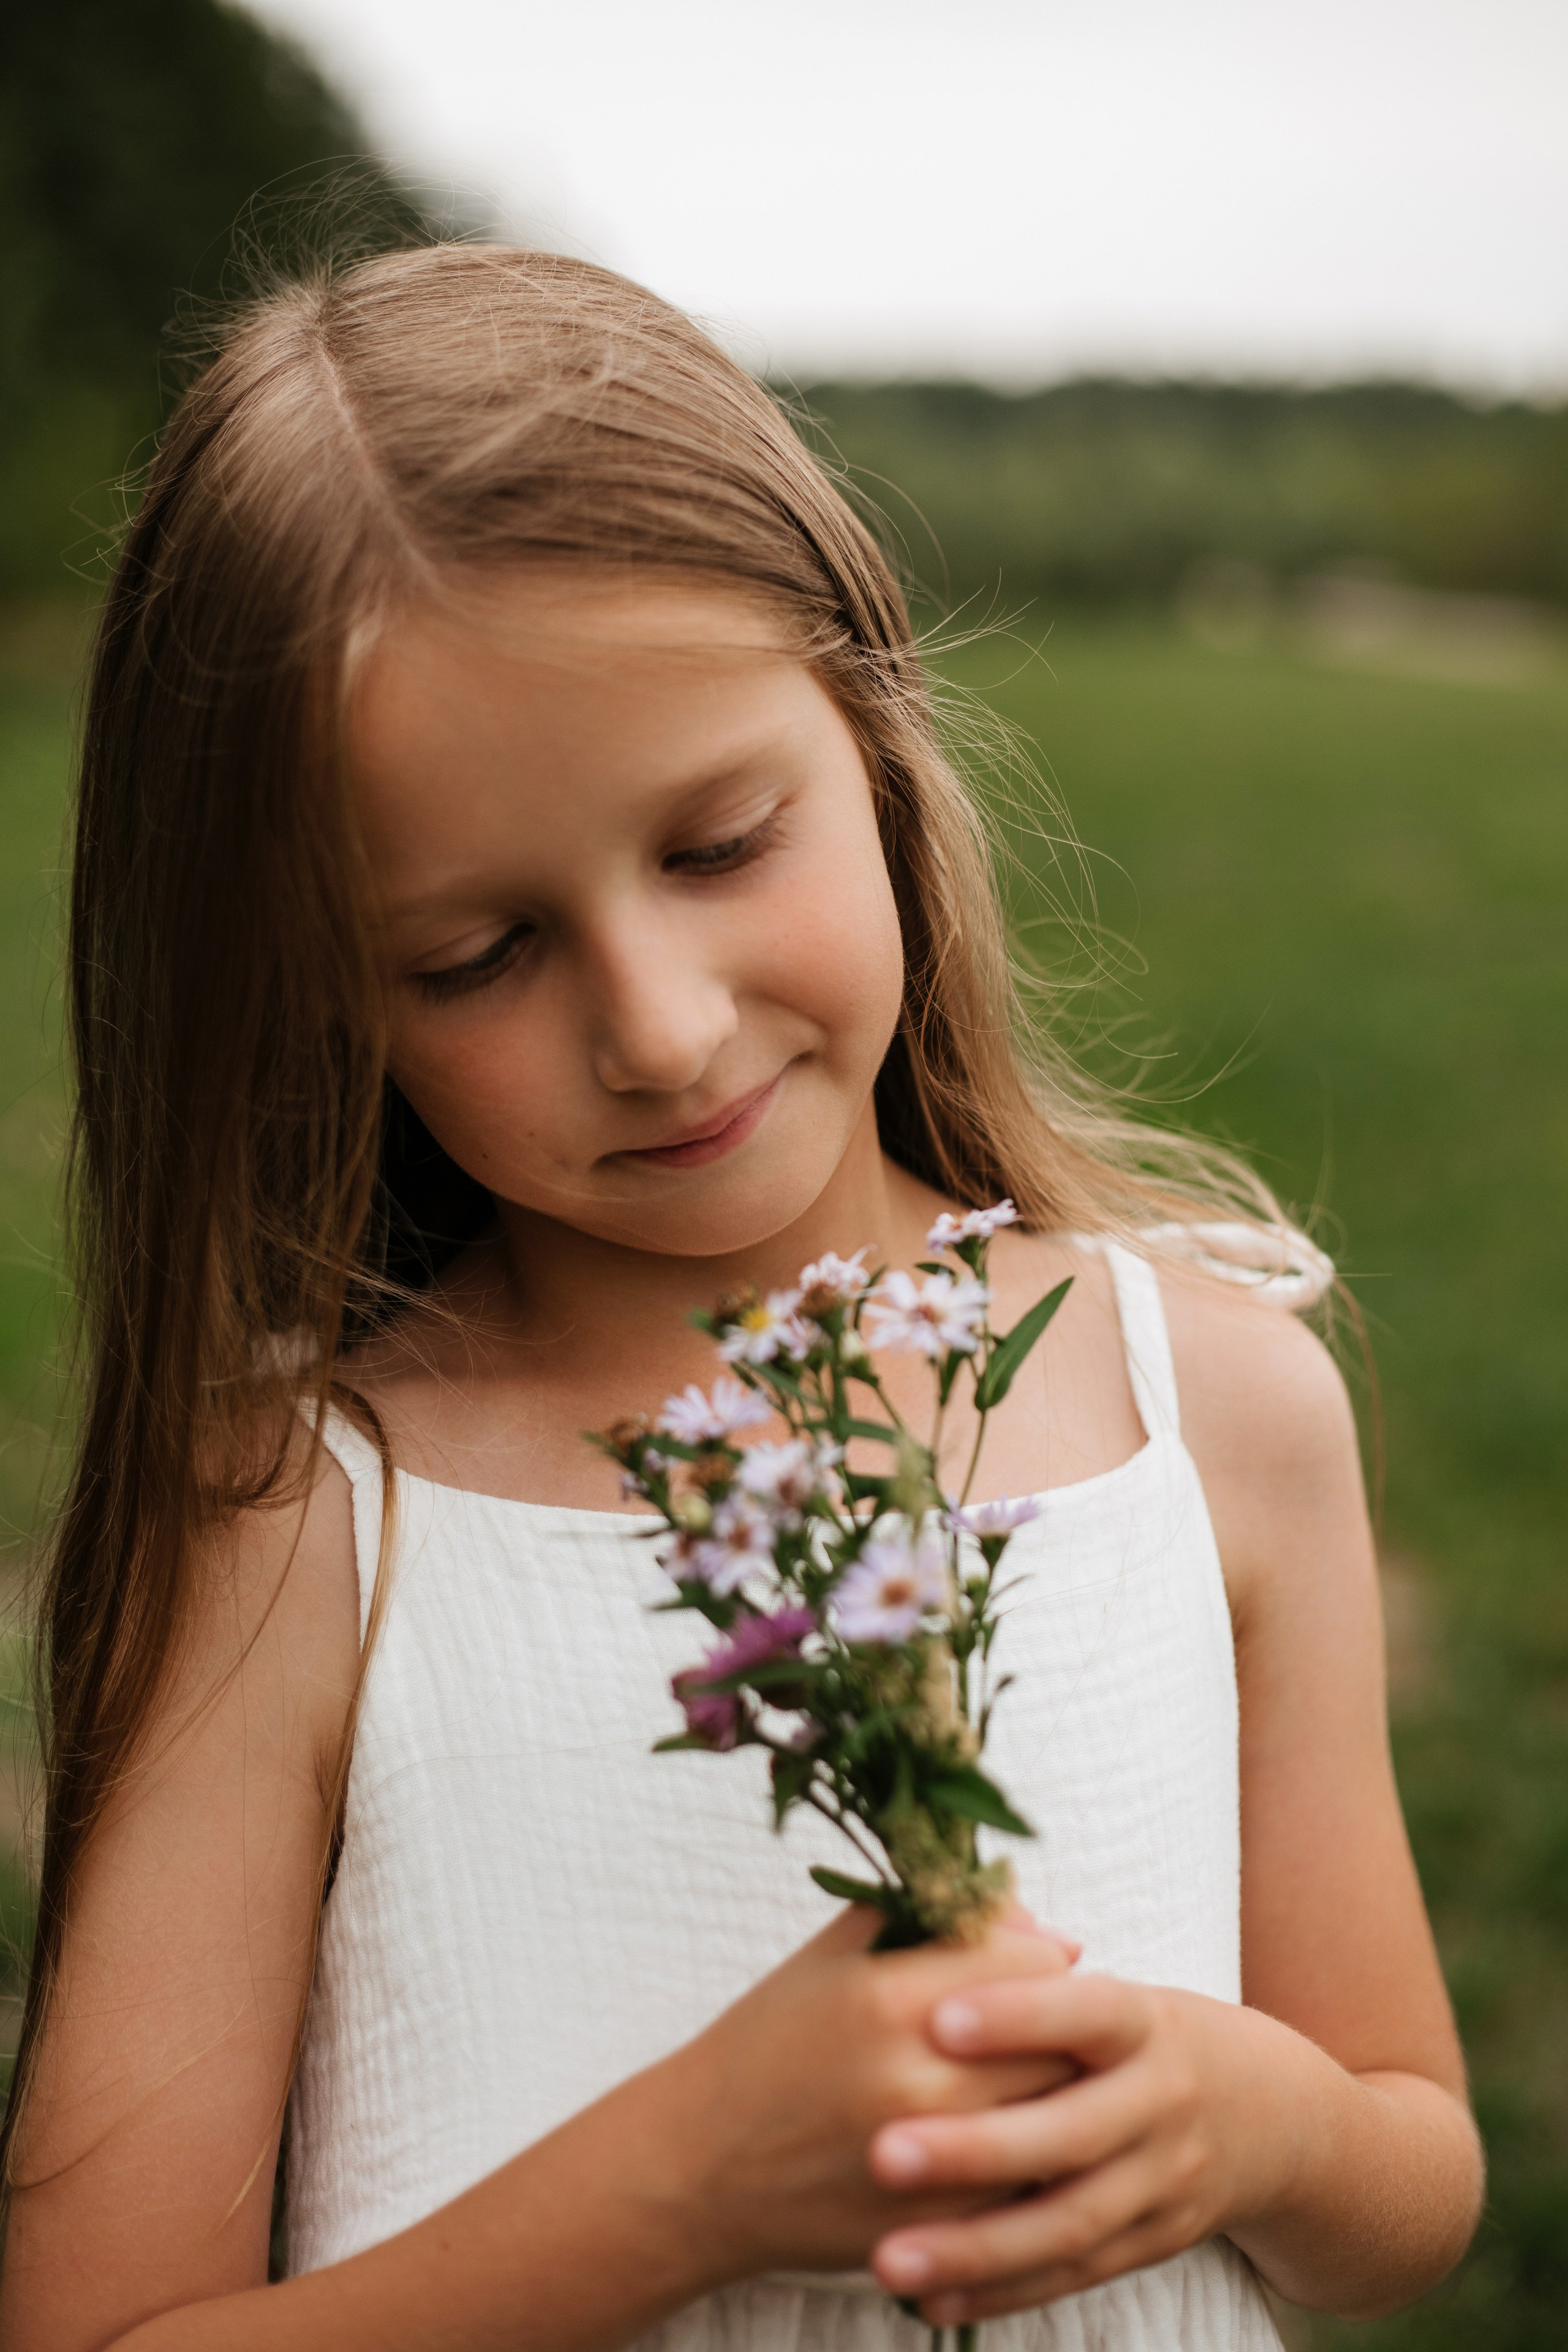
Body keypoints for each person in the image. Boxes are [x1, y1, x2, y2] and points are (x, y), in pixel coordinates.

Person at [0, 245, 1480, 2352]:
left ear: (871, 738)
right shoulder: (296, 1526)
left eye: (717, 847)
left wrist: (1261, 2128)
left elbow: (1410, 2180)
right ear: (320, 998)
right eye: (476, 956)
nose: (663, 1030)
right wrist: (686, 2186)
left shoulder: (1217, 1407)